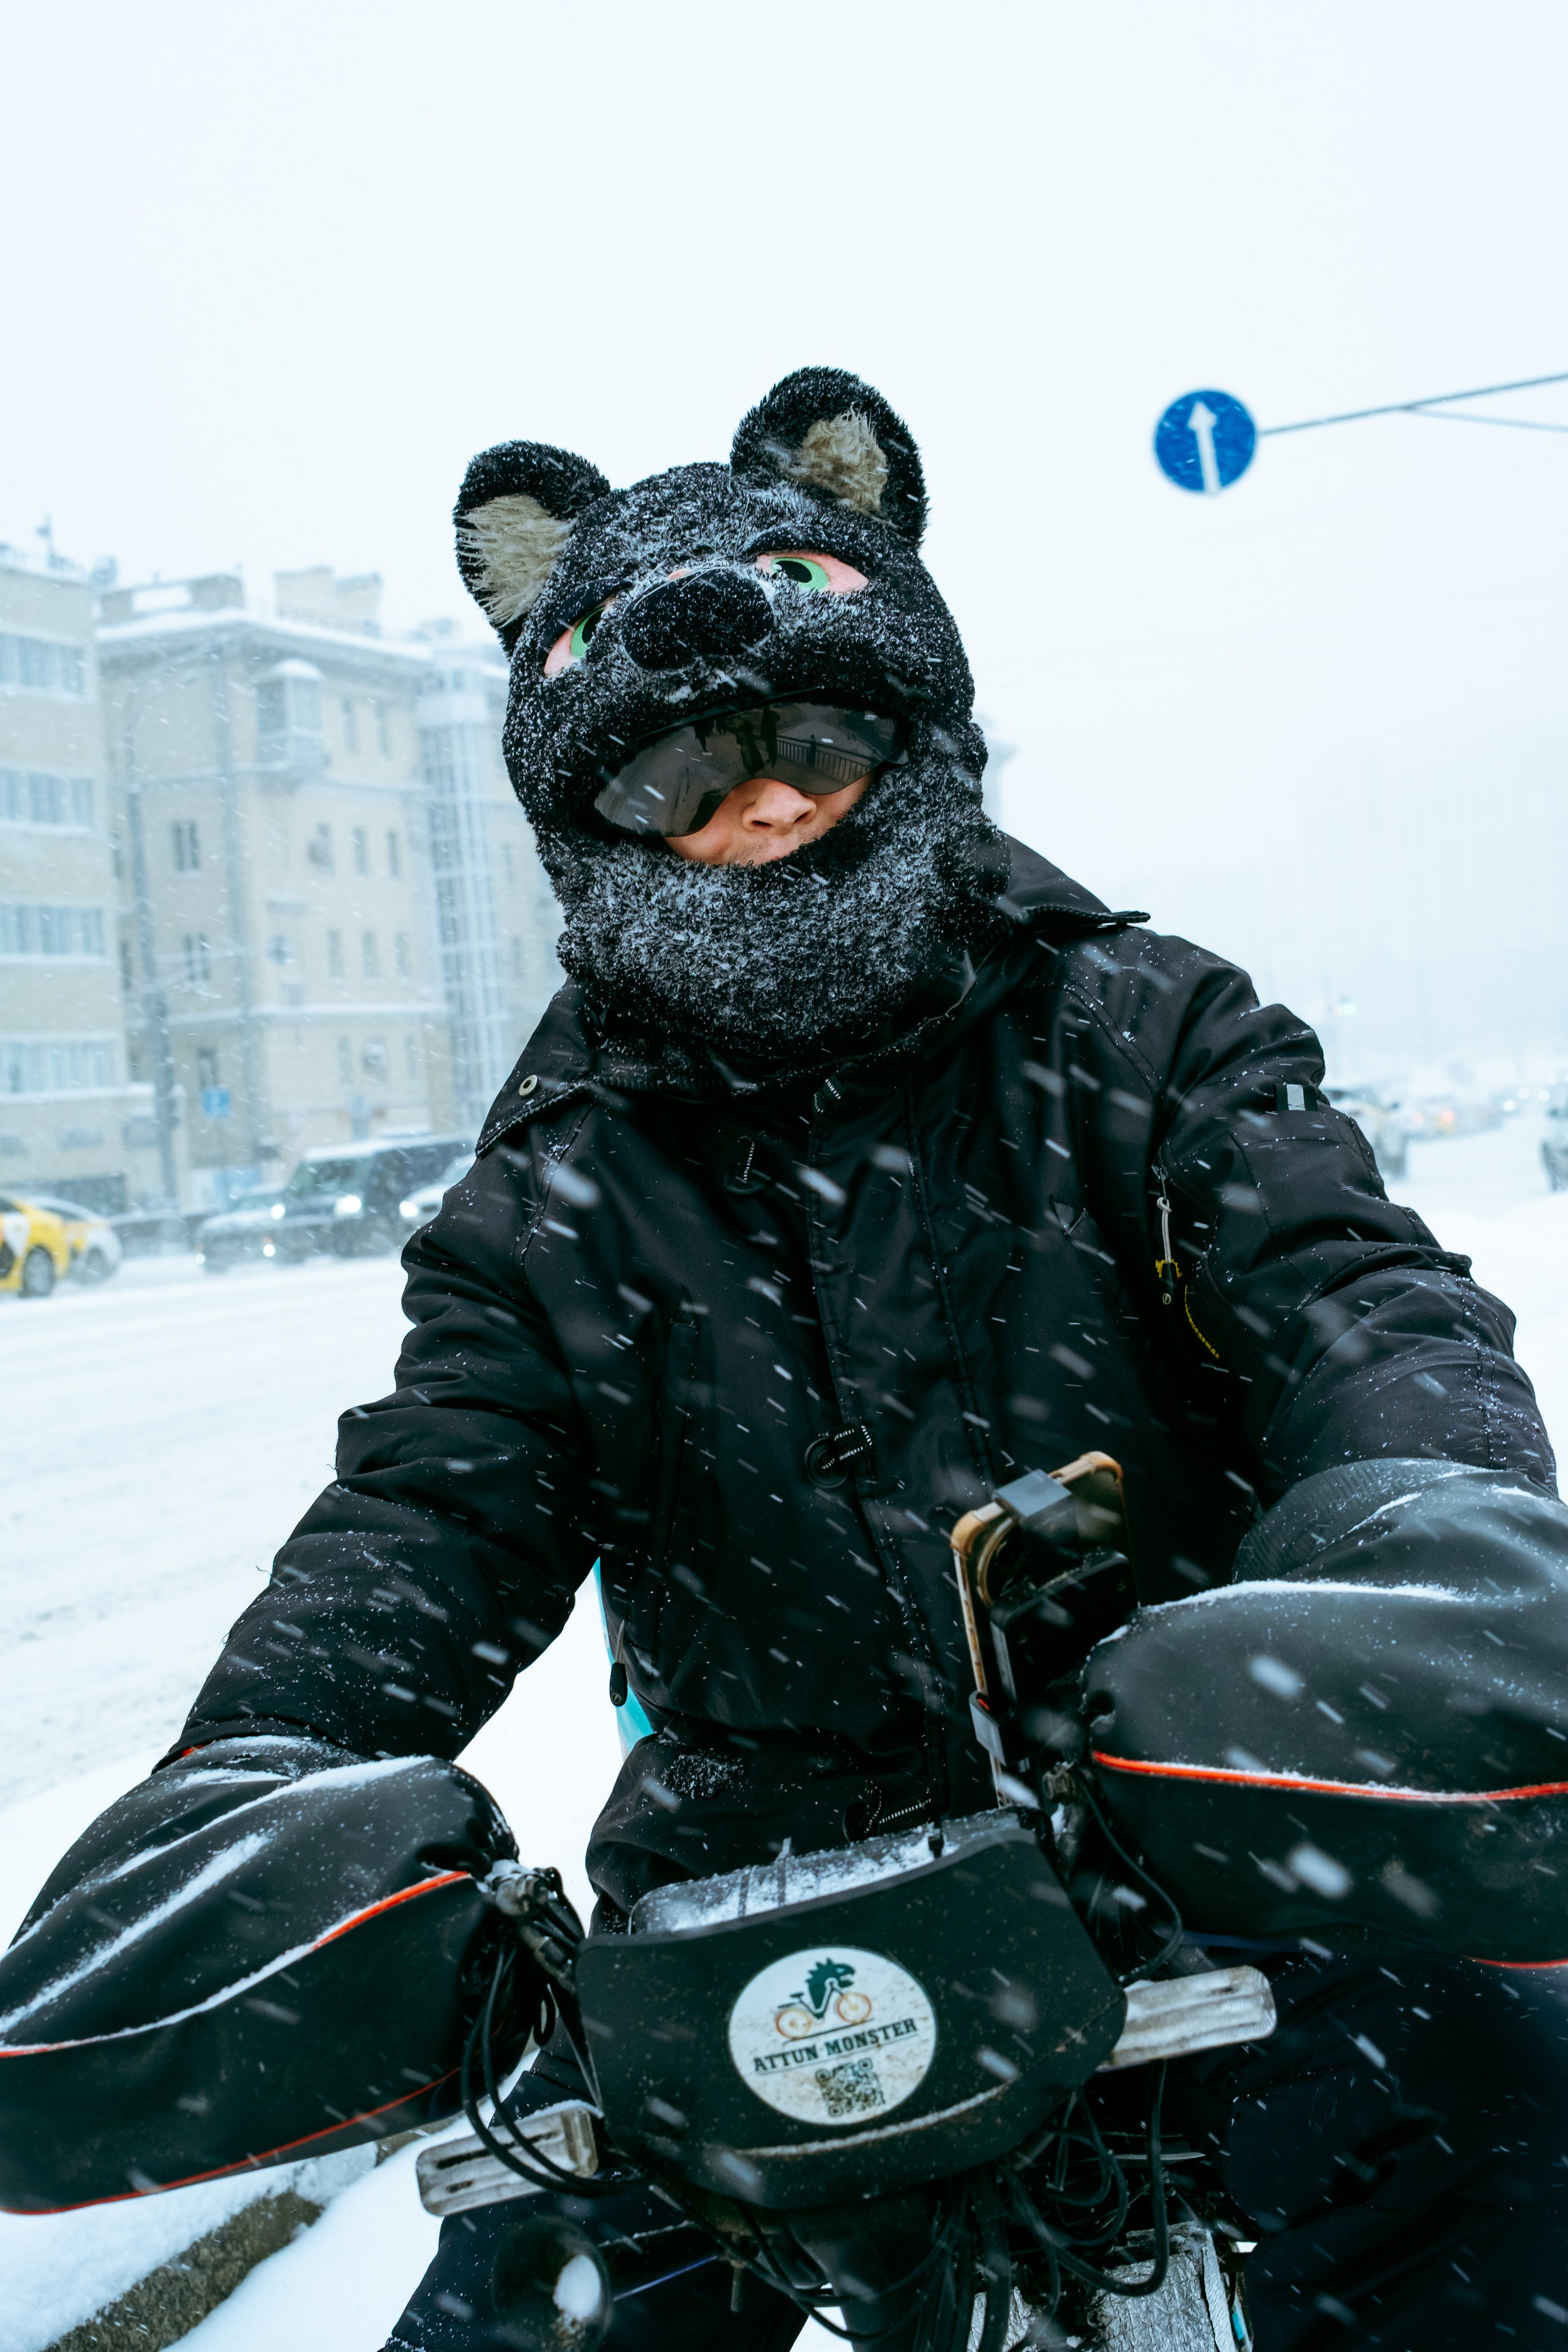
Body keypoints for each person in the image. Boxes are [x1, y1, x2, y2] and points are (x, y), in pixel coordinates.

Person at [12, 371, 1568, 2348]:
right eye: (667, 776)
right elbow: (423, 1515)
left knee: (1504, 2150)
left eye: (808, 738)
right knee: (537, 2311)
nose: (752, 806)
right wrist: (257, 1784)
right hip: (753, 1918)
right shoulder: (539, 1202)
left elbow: (1355, 1299)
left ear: (909, 732)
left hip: (1224, 1810)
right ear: (585, 821)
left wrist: (1433, 1536)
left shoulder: (1149, 1036)